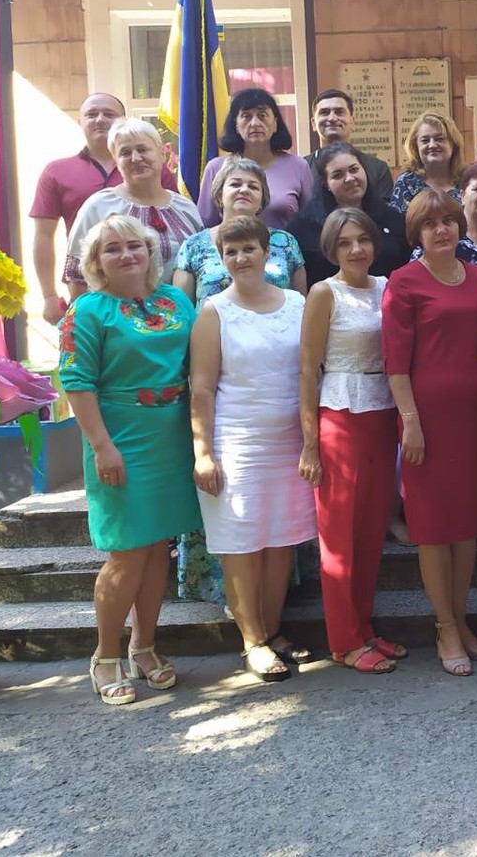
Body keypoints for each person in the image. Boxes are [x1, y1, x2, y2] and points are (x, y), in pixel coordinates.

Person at [58, 214, 201, 706]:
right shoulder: (87, 310)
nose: (126, 254)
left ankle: (144, 646)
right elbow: (76, 382)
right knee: (127, 551)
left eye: (134, 245)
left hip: (173, 438)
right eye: (112, 248)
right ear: (96, 262)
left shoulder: (175, 300)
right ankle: (105, 656)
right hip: (121, 438)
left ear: (150, 251)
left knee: (159, 547)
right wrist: (102, 446)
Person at [188, 216, 318, 682]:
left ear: (267, 253)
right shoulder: (214, 312)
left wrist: (312, 439)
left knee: (281, 540)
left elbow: (311, 370)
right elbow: (201, 388)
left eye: (249, 249)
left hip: (290, 443)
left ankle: (273, 630)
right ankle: (252, 642)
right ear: (222, 259)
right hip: (236, 443)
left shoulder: (298, 304)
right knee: (241, 543)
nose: (241, 258)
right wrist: (203, 452)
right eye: (231, 251)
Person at [383, 190, 477, 676]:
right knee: (432, 527)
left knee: (466, 525)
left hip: (472, 415)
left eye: (448, 220)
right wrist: (409, 420)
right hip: (424, 418)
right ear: (417, 234)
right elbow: (395, 362)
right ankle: (444, 626)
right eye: (429, 224)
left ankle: (462, 620)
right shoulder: (403, 281)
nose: (441, 230)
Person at [298, 207, 404, 674]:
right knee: (339, 535)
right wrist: (310, 443)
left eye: (362, 239)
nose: (356, 249)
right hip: (340, 415)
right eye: (344, 243)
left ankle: (364, 628)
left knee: (370, 531)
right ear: (331, 249)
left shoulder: (386, 286)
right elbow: (307, 369)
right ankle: (343, 641)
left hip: (382, 413)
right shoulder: (324, 292)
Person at [30, 92, 178, 325]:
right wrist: (49, 295)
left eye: (109, 114)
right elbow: (43, 236)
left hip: (166, 300)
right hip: (100, 298)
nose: (100, 119)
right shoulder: (56, 172)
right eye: (92, 114)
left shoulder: (150, 169)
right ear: (80, 121)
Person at [64, 119, 201, 303]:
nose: (136, 158)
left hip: (183, 315)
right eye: (125, 153)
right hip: (115, 316)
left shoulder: (186, 208)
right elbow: (76, 273)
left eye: (143, 149)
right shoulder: (99, 206)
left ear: (162, 154)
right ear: (116, 162)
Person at [172, 156, 307, 303]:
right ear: (219, 195)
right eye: (235, 184)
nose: (244, 190)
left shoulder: (286, 242)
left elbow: (302, 306)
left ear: (262, 200)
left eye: (253, 187)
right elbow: (182, 309)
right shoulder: (193, 246)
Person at [289, 143, 409, 285]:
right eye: (338, 175)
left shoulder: (392, 219)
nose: (350, 178)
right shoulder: (303, 226)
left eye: (354, 170)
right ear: (326, 184)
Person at [198, 88, 316, 229]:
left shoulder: (299, 167)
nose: (255, 123)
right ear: (236, 125)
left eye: (262, 116)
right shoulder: (215, 168)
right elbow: (204, 226)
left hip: (287, 243)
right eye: (246, 116)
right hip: (227, 243)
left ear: (275, 124)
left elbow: (311, 223)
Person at [310, 88, 392, 200]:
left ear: (352, 121)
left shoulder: (378, 169)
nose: (332, 118)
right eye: (324, 112)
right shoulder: (301, 169)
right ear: (313, 124)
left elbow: (384, 210)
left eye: (339, 112)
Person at [389, 111, 464, 214]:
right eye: (425, 140)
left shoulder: (469, 180)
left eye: (440, 139)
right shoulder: (406, 182)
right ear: (415, 147)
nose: (432, 145)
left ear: (453, 144)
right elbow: (397, 221)